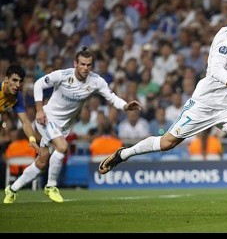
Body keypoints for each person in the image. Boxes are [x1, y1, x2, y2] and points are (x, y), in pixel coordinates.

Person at [98, 0, 227, 207]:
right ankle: (123, 154)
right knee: (166, 143)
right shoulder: (224, 37)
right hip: (204, 103)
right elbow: (215, 70)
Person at [4, 46, 141, 204]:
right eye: (82, 64)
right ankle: (51, 186)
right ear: (75, 63)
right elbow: (38, 84)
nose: (85, 68)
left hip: (63, 126)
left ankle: (12, 189)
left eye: (89, 65)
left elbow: (111, 97)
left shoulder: (96, 81)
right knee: (62, 147)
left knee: (42, 161)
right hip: (46, 118)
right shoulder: (62, 75)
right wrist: (39, 110)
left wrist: (125, 106)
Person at [1, 64, 41, 204]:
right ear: (6, 79)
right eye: (14, 80)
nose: (17, 85)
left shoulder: (16, 97)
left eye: (20, 81)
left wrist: (31, 139)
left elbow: (24, 121)